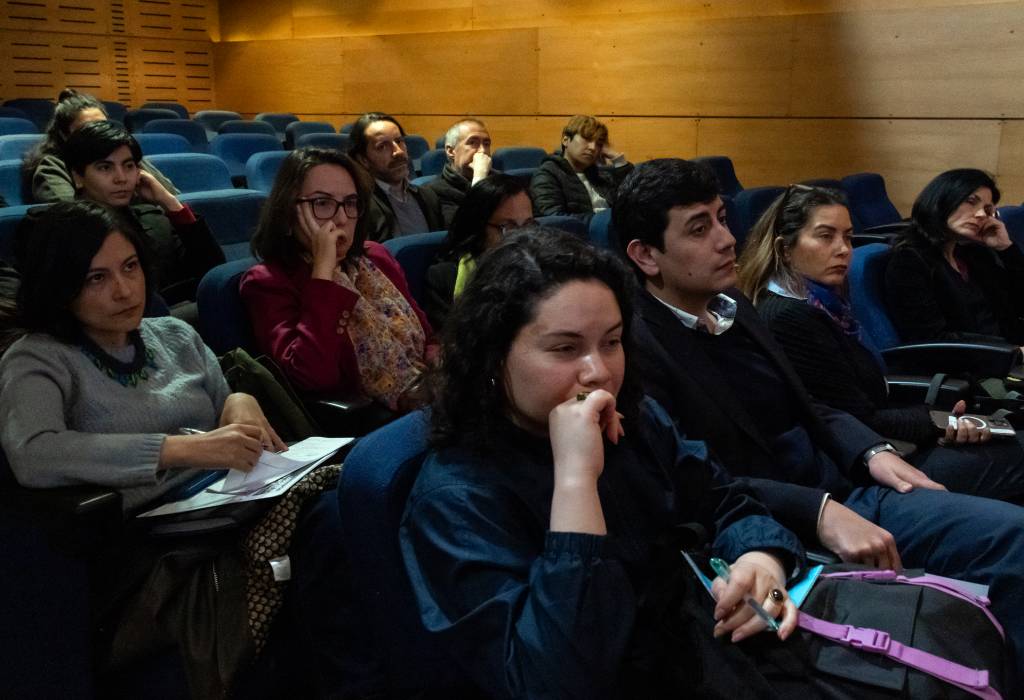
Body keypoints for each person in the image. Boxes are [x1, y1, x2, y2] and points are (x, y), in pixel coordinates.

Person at [615, 158, 1024, 682]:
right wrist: (819, 510)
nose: (726, 238)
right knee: (1009, 541)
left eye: (722, 217)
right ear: (646, 255)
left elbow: (813, 403)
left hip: (847, 482)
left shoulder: (732, 305)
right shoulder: (633, 349)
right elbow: (693, 476)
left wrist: (869, 451)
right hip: (783, 524)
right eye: (700, 228)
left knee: (1008, 539)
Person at [401, 227, 809, 698]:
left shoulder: (635, 418)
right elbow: (553, 680)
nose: (599, 372)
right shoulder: (456, 498)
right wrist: (576, 482)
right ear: (493, 358)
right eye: (565, 348)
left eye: (611, 342)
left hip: (710, 655)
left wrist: (765, 560)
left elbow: (724, 500)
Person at [0, 200, 292, 695]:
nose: (124, 290)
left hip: (232, 508)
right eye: (96, 279)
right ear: (60, 285)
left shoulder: (174, 333)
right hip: (153, 548)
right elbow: (36, 453)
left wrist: (239, 400)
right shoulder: (38, 358)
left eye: (130, 267)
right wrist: (178, 451)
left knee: (341, 518)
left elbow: (226, 410)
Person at [736, 184, 1024, 504]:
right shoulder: (789, 318)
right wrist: (940, 421)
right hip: (871, 469)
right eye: (825, 236)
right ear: (785, 248)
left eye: (847, 236)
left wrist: (941, 418)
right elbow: (855, 420)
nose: (844, 249)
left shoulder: (824, 304)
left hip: (893, 440)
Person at [240, 147, 436, 412]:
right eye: (322, 203)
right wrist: (323, 272)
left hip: (430, 394)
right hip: (373, 421)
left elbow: (426, 334)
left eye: (350, 203)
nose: (342, 218)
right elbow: (311, 376)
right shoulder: (267, 282)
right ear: (288, 213)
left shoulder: (375, 257)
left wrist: (439, 357)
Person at [62, 120, 224, 306]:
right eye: (105, 168)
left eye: (129, 166)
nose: (121, 178)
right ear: (78, 177)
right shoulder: (56, 230)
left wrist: (169, 202)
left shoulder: (155, 220)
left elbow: (213, 274)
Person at [884, 168, 1024, 346]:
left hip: (1008, 353)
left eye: (987, 210)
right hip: (975, 366)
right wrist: (1013, 354)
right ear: (941, 200)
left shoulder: (972, 253)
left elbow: (1018, 305)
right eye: (971, 202)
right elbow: (931, 339)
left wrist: (1005, 248)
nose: (981, 215)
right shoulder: (909, 262)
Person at [22, 88, 177, 204]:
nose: (99, 133)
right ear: (64, 135)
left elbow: (171, 194)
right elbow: (73, 216)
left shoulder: (123, 155)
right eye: (88, 129)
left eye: (103, 126)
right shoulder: (53, 165)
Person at [422, 174, 534, 329]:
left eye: (528, 225)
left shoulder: (544, 267)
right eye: (508, 227)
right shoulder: (446, 277)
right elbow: (452, 343)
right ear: (479, 227)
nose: (522, 237)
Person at [347, 112, 443, 241]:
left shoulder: (428, 196)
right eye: (382, 146)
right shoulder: (360, 206)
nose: (398, 151)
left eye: (399, 141)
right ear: (363, 159)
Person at [529, 114, 632, 222]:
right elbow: (556, 219)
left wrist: (618, 160)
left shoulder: (599, 175)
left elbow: (631, 200)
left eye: (598, 144)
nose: (593, 148)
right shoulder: (547, 175)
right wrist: (605, 221)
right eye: (587, 139)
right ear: (566, 140)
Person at [423, 118, 496, 227]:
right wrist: (479, 179)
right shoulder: (433, 191)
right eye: (472, 143)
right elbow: (465, 230)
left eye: (486, 144)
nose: (483, 151)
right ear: (451, 151)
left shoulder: (501, 180)